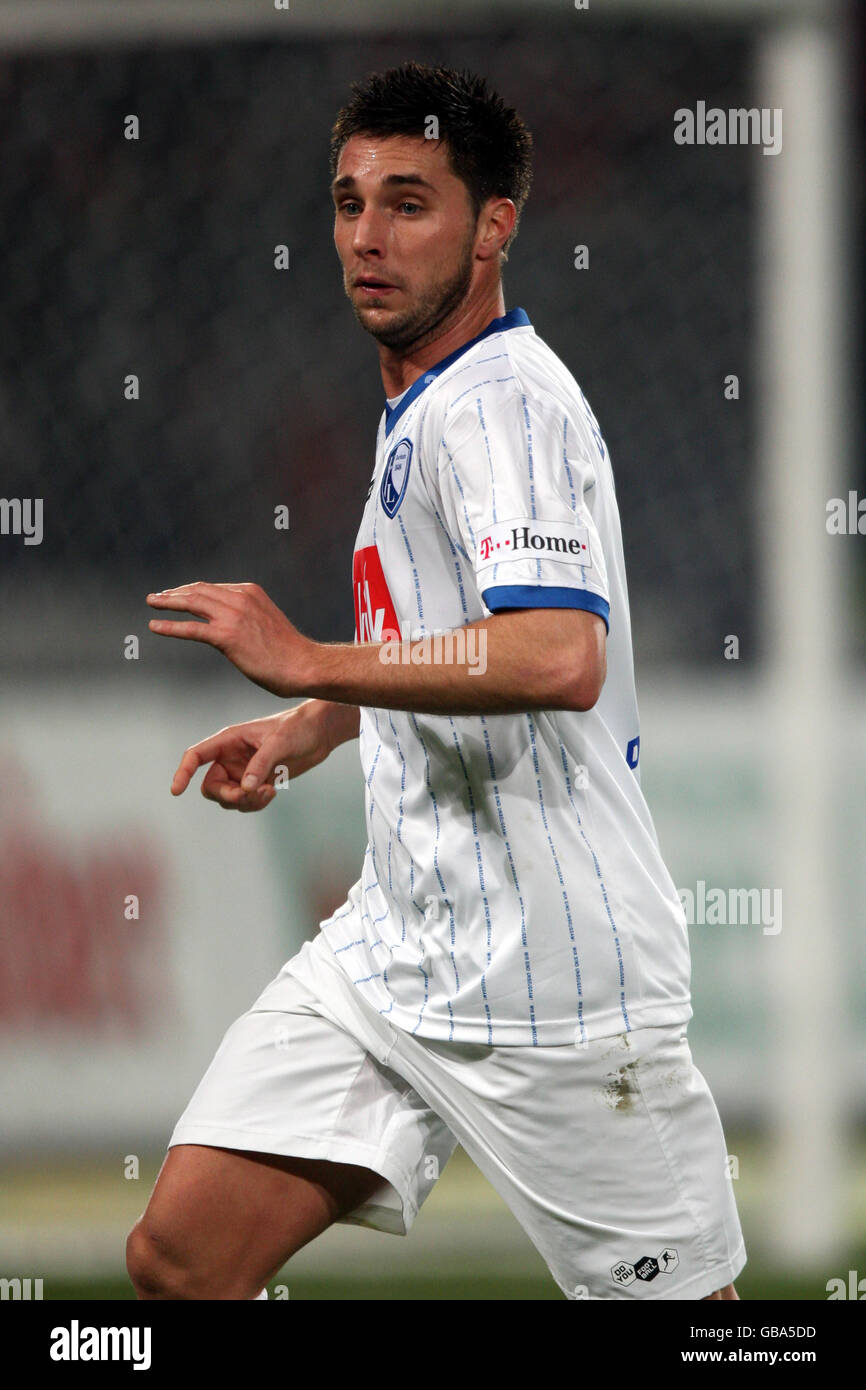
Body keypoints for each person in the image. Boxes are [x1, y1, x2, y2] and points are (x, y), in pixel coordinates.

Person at [128, 62, 745, 1301]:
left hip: (555, 990)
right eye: (348, 202)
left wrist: (306, 654)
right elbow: (452, 632)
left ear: (492, 227)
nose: (366, 235)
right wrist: (320, 719)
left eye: (408, 202)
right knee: (182, 1259)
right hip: (396, 952)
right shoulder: (426, 395)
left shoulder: (499, 409)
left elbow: (556, 654)